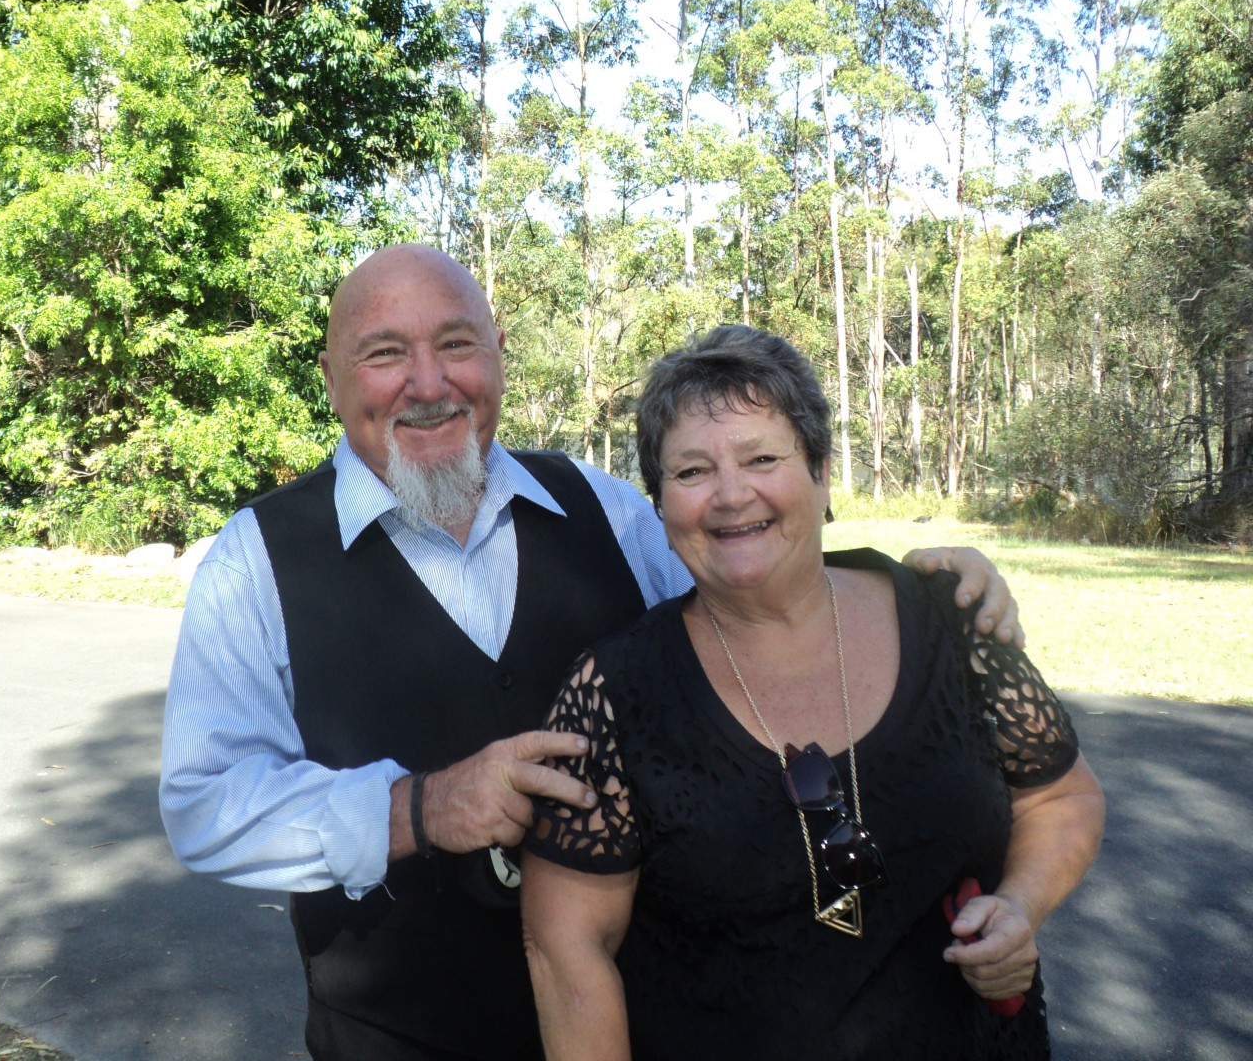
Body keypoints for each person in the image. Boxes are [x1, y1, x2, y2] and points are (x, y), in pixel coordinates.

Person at [158, 246, 1024, 1061]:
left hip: (646, 1027)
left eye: (456, 344)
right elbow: (205, 803)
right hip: (398, 1039)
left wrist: (912, 592)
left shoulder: (608, 511)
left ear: (498, 353)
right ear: (331, 376)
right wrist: (420, 808)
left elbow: (756, 601)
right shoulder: (256, 562)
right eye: (385, 354)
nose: (428, 383)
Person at [519, 325, 1105, 1061]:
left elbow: (1061, 798)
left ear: (822, 474)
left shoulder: (950, 621)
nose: (732, 495)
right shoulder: (615, 691)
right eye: (692, 471)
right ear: (660, 506)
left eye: (762, 458)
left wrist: (1020, 904)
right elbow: (566, 946)